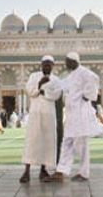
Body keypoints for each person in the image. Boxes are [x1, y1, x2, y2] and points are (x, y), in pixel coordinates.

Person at [45, 51, 99, 183]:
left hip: (80, 114)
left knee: (82, 144)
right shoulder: (72, 75)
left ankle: (84, 173)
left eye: (67, 62)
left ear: (74, 61)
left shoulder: (84, 72)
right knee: (67, 142)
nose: (66, 64)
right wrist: (48, 83)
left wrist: (88, 95)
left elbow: (95, 78)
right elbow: (61, 85)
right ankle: (61, 171)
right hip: (71, 115)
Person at [20, 55, 63, 183]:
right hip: (35, 113)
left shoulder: (56, 80)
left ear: (53, 66)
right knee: (32, 140)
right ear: (41, 65)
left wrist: (46, 93)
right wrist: (39, 85)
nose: (47, 66)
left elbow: (57, 94)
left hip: (49, 114)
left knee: (47, 142)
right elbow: (29, 91)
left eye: (49, 64)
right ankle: (26, 171)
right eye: (45, 64)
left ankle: (43, 170)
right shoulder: (34, 76)